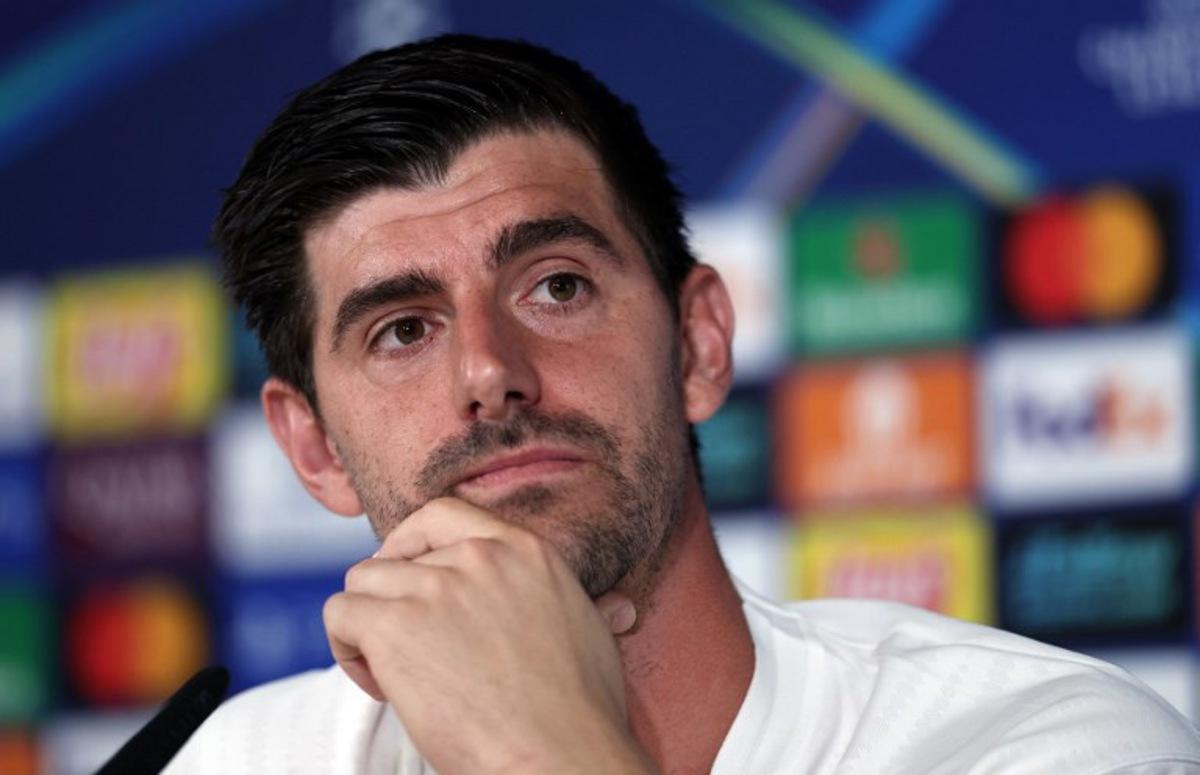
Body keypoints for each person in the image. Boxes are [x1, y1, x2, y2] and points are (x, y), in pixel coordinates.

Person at [169, 34, 1200, 774]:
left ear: (700, 341)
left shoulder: (1040, 745)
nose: (489, 369)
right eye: (402, 330)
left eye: (557, 285)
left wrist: (543, 749)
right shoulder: (240, 760)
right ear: (315, 449)